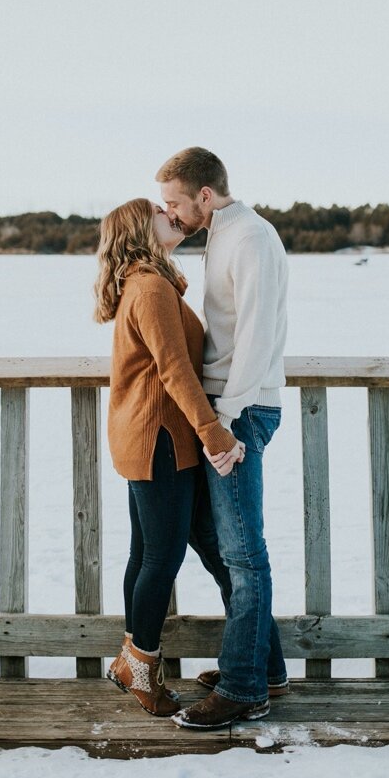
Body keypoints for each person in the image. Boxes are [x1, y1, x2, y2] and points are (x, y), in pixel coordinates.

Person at [156, 147, 290, 729]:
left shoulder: (252, 238)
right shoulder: (222, 234)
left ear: (204, 196)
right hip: (224, 409)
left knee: (242, 555)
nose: (171, 214)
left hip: (241, 412)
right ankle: (266, 668)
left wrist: (227, 423)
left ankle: (243, 689)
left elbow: (256, 338)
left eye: (175, 204)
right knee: (215, 542)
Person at [94, 197, 241, 716]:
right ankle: (140, 664)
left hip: (147, 436)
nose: (171, 215)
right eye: (160, 211)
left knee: (146, 553)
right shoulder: (151, 288)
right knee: (161, 556)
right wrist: (214, 434)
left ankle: (132, 659)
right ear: (141, 230)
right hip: (160, 438)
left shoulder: (147, 284)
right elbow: (176, 371)